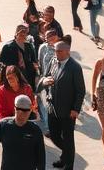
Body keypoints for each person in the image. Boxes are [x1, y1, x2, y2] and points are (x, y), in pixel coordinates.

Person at [37, 40, 84, 170]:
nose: (56, 53)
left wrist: (75, 109)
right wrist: (44, 81)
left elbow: (81, 90)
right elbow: (44, 76)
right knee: (54, 135)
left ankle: (68, 165)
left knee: (68, 139)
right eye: (55, 50)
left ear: (67, 51)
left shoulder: (75, 67)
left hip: (68, 111)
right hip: (53, 108)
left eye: (59, 51)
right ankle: (67, 154)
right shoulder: (53, 61)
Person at [0, 94, 46, 170]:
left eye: (25, 112)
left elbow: (41, 154)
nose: (22, 116)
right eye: (19, 112)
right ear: (14, 109)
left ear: (30, 111)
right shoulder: (3, 125)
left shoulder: (35, 130)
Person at [0, 25, 39, 94]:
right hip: (14, 76)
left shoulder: (29, 46)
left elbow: (34, 61)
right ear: (16, 34)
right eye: (20, 34)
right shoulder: (8, 47)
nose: (23, 36)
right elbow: (1, 63)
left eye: (25, 34)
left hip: (28, 76)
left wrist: (35, 67)